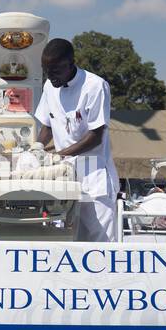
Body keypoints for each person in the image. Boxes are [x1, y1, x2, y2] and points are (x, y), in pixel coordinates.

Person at [35, 37, 120, 242]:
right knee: (69, 240)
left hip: (94, 177)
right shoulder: (49, 86)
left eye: (55, 70)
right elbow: (48, 124)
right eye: (46, 71)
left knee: (100, 242)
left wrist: (59, 154)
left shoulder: (95, 86)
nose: (51, 76)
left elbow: (96, 137)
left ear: (71, 63)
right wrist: (37, 147)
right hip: (64, 177)